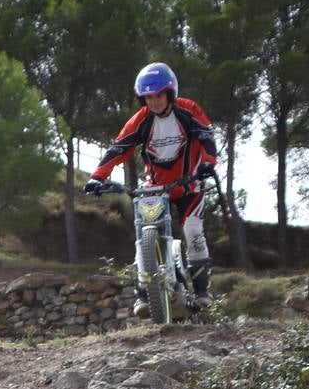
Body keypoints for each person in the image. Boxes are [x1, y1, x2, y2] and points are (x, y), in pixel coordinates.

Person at [83, 62, 222, 305]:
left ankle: (201, 291)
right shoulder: (140, 121)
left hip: (189, 185)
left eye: (159, 95)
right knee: (144, 235)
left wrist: (209, 163)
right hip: (156, 189)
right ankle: (143, 294)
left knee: (193, 231)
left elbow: (206, 136)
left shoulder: (188, 110)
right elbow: (119, 148)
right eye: (148, 97)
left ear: (170, 93)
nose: (155, 101)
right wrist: (97, 176)